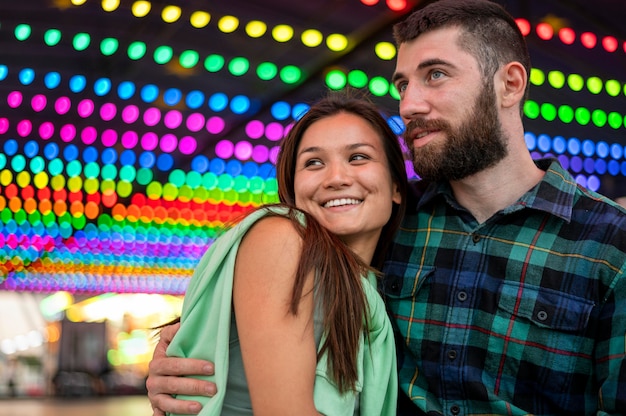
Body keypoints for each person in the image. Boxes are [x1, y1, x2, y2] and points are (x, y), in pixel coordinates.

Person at [146, 0, 626, 414]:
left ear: (510, 84)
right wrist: (179, 351)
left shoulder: (610, 242)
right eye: (402, 85)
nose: (410, 104)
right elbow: (261, 300)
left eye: (435, 75)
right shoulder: (388, 219)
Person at [153, 91, 408, 415]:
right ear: (292, 190)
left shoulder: (365, 289)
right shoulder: (279, 237)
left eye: (358, 157)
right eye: (314, 163)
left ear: (397, 187)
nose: (336, 178)